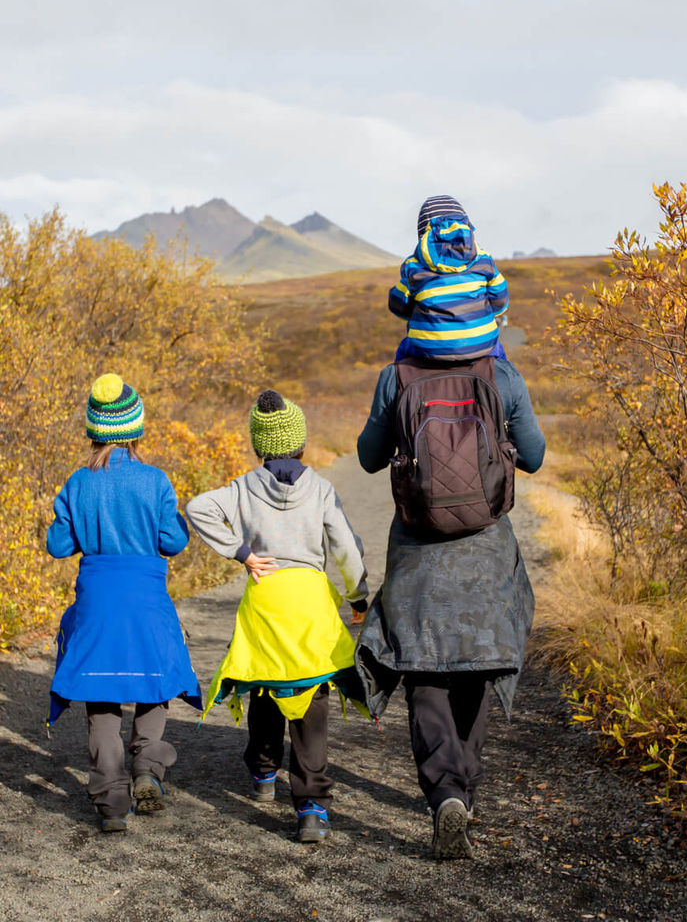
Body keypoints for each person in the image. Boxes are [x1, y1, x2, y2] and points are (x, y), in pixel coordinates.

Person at [355, 340, 545, 859]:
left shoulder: (396, 376)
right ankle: (465, 787)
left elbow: (368, 458)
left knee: (425, 669)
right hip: (485, 551)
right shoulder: (501, 375)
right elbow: (535, 455)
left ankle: (445, 794)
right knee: (475, 664)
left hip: (418, 550)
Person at [185, 389, 369, 844]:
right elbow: (344, 547)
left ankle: (264, 775)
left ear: (258, 445)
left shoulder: (243, 487)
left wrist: (242, 554)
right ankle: (311, 806)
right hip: (308, 601)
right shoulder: (322, 489)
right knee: (310, 698)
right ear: (301, 443)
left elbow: (197, 508)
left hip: (265, 597)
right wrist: (358, 596)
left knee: (265, 684)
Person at [46, 373, 202, 833]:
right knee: (157, 681)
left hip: (97, 599)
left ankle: (111, 804)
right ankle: (148, 768)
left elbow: (57, 545)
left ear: (94, 431)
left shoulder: (77, 482)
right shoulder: (154, 481)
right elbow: (172, 542)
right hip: (145, 596)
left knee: (101, 695)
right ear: (135, 430)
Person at [389, 195, 509, 363]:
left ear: (422, 231)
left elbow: (398, 307)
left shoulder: (413, 266)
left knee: (403, 351)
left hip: (426, 348)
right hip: (482, 344)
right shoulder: (484, 259)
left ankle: (400, 388)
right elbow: (500, 300)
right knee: (501, 357)